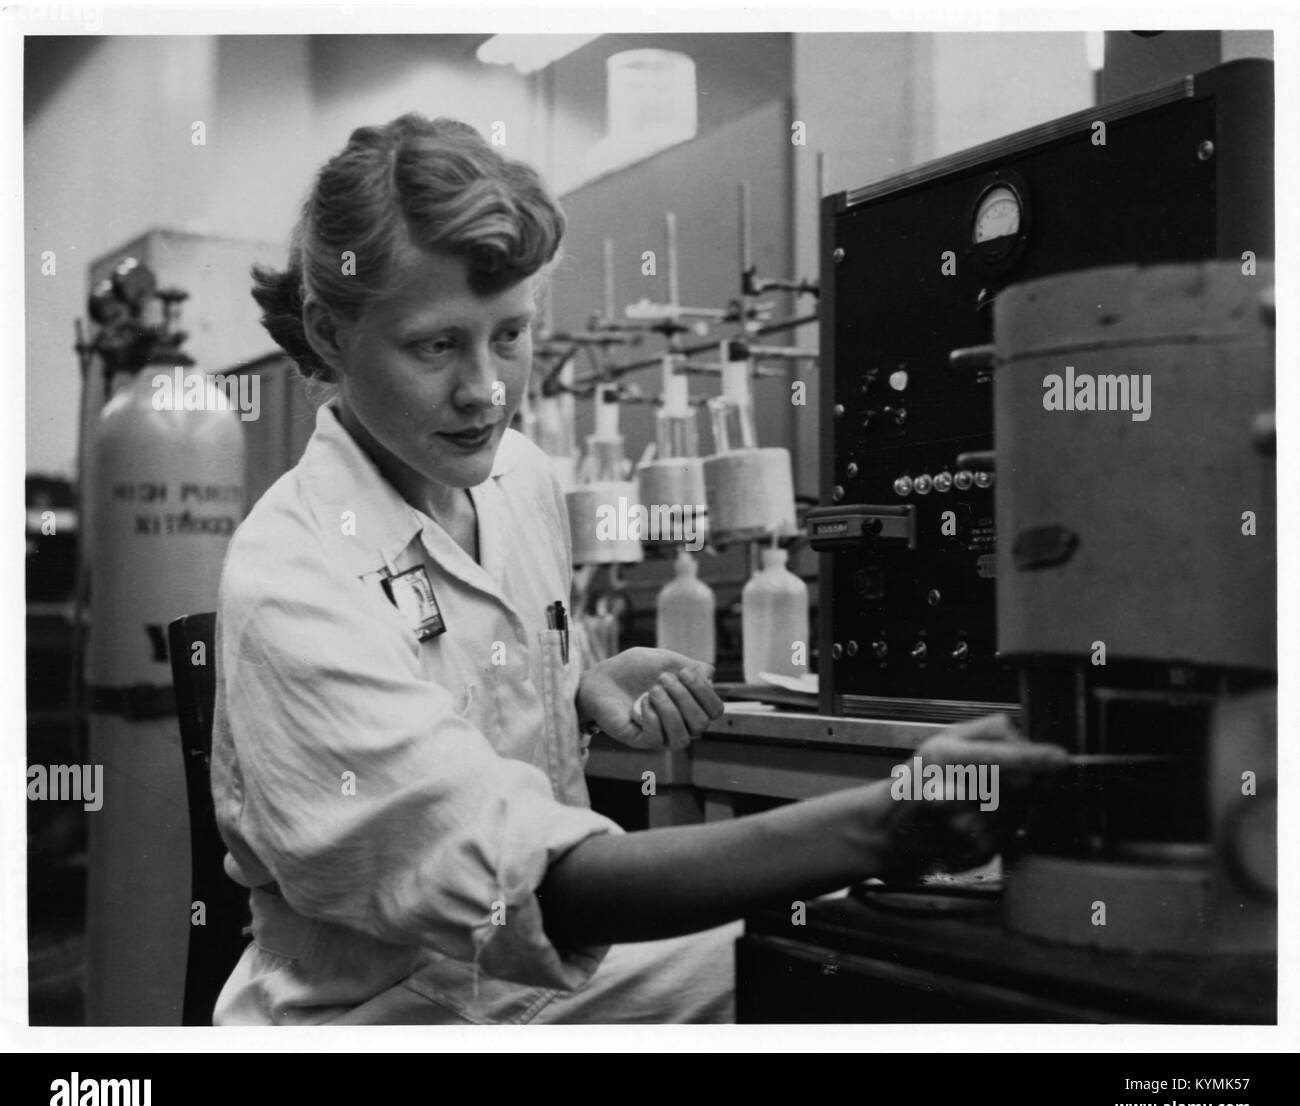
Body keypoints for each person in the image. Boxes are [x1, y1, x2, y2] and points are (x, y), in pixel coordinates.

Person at [209, 113, 1066, 1025]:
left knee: (872, 952)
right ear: (329, 334)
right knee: (843, 970)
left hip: (533, 982)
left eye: (510, 336)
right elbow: (541, 887)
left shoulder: (519, 479)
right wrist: (888, 821)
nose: (484, 389)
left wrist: (576, 689)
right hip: (379, 1014)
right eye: (436, 345)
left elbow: (471, 691)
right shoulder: (292, 575)